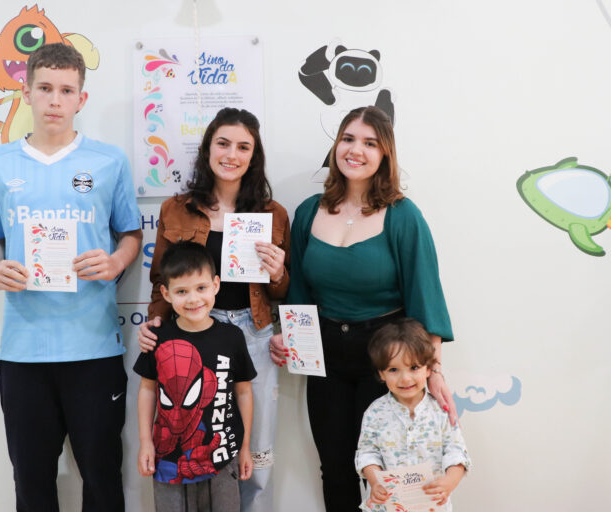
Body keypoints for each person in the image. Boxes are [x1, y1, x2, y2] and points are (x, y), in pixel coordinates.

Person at [0, 43, 142, 511]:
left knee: (103, 481)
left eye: (66, 90)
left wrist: (117, 262)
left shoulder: (109, 162)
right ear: (26, 93)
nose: (55, 100)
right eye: (45, 88)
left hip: (93, 349)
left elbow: (131, 233)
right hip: (24, 352)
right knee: (31, 485)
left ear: (81, 99)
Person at [269, 105, 456, 511]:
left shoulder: (404, 216)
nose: (356, 150)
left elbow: (425, 296)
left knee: (391, 471)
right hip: (326, 359)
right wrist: (287, 336)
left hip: (388, 359)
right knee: (335, 468)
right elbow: (299, 290)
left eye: (370, 143)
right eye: (348, 139)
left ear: (385, 154)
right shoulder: (308, 211)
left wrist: (435, 371)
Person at [138, 108, 290, 511]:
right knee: (197, 441)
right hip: (190, 332)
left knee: (256, 448)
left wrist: (278, 273)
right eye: (223, 143)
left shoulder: (273, 214)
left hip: (253, 333)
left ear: (254, 156)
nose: (231, 154)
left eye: (243, 147)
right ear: (208, 148)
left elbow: (283, 289)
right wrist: (155, 322)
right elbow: (161, 279)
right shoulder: (176, 208)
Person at [134, 241, 256, 511]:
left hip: (223, 458)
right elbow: (147, 389)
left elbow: (244, 392)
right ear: (166, 293)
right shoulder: (157, 338)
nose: (193, 299)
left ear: (216, 285)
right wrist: (145, 443)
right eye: (181, 291)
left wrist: (245, 446)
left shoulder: (232, 337)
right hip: (168, 461)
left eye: (201, 288)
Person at [356, 318, 470, 511]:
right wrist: (375, 481)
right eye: (393, 369)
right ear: (381, 373)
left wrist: (449, 482)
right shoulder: (374, 413)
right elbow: (367, 453)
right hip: (387, 506)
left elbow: (457, 452)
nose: (405, 378)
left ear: (428, 368)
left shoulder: (441, 411)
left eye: (414, 367)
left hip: (431, 506)